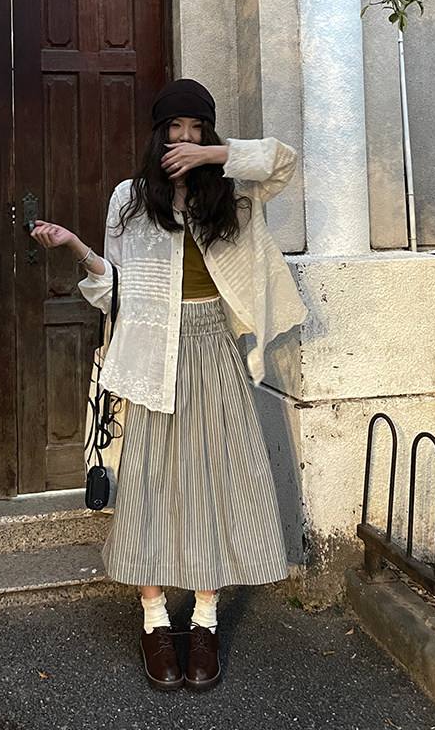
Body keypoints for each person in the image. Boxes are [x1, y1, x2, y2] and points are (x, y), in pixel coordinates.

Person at [31, 79, 307, 692]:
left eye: (195, 128)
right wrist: (75, 246)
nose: (184, 138)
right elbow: (117, 289)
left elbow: (284, 160)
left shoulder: (230, 193)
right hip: (152, 354)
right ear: (158, 135)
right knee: (151, 485)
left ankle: (204, 618)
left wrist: (214, 156)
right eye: (175, 128)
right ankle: (155, 618)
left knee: (218, 481)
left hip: (215, 348)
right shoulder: (129, 200)